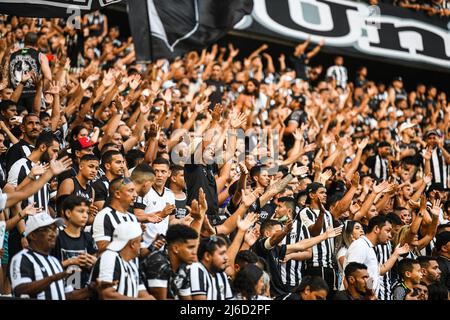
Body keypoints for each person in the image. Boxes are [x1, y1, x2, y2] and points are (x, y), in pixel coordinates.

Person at [9, 212, 91, 299]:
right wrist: (52, 278)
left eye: (54, 229)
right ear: (33, 235)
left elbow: (67, 296)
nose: (53, 234)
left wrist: (91, 290)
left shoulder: (55, 261)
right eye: (47, 230)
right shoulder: (21, 258)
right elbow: (20, 289)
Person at [344, 215, 409, 297]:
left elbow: (380, 271)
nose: (390, 236)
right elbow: (349, 277)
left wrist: (396, 254)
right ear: (376, 229)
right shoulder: (360, 246)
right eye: (387, 231)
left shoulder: (369, 248)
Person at [89, 221, 154, 300]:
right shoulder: (110, 257)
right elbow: (107, 295)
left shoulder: (133, 261)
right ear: (133, 244)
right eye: (139, 241)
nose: (140, 245)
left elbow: (141, 291)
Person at [140, 224, 198, 300]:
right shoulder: (158, 262)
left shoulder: (183, 267)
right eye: (190, 247)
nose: (194, 252)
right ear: (175, 248)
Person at [52, 195, 97, 290]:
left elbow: (95, 263)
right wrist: (71, 261)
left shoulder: (88, 238)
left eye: (87, 212)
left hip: (83, 291)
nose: (85, 216)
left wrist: (93, 262)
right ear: (68, 213)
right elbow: (49, 268)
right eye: (81, 211)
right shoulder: (57, 238)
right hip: (61, 290)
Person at [92, 177, 139, 253]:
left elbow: (139, 250)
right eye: (131, 191)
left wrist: (152, 245)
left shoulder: (132, 217)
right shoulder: (104, 216)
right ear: (117, 194)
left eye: (135, 191)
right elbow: (101, 249)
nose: (135, 195)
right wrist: (127, 239)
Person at [8, 32, 52, 112]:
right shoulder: (41, 56)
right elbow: (48, 78)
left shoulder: (11, 55)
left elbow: (6, 77)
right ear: (37, 42)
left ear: (24, 41)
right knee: (34, 119)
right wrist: (41, 91)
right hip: (33, 95)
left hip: (15, 95)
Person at [141, 157, 176, 249]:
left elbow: (171, 221)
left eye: (163, 171)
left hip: (161, 247)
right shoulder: (144, 192)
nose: (159, 175)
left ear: (169, 173)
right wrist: (161, 214)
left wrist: (187, 220)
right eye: (156, 171)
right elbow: (137, 216)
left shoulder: (170, 195)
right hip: (142, 247)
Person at [189, 235, 234, 300]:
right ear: (207, 256)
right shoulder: (197, 269)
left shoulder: (222, 274)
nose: (226, 258)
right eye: (221, 254)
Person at [335, 220, 365, 290]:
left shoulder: (364, 249)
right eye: (357, 228)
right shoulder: (343, 251)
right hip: (348, 289)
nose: (361, 230)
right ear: (349, 233)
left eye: (362, 228)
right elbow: (350, 273)